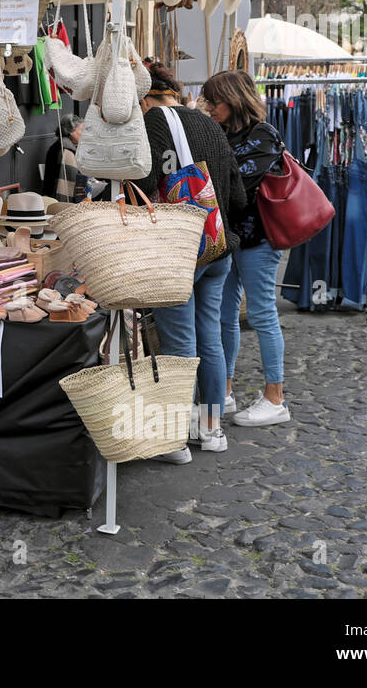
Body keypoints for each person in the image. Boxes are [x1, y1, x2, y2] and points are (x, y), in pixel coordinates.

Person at [137, 63, 246, 458]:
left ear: (145, 97)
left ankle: (176, 439)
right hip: (216, 247)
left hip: (178, 250)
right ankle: (212, 431)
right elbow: (238, 197)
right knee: (209, 338)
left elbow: (144, 186)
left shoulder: (153, 123)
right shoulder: (209, 124)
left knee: (179, 342)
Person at [203, 69, 291, 428]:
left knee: (261, 314)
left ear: (233, 100)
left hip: (258, 239)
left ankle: (276, 398)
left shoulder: (262, 134)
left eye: (215, 101)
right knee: (225, 315)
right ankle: (224, 390)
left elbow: (239, 186)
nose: (209, 107)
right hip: (229, 238)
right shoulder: (223, 132)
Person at [41, 113, 82, 201]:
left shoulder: (61, 145)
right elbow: (71, 181)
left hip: (50, 193)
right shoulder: (65, 150)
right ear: (71, 131)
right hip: (56, 198)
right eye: (81, 130)